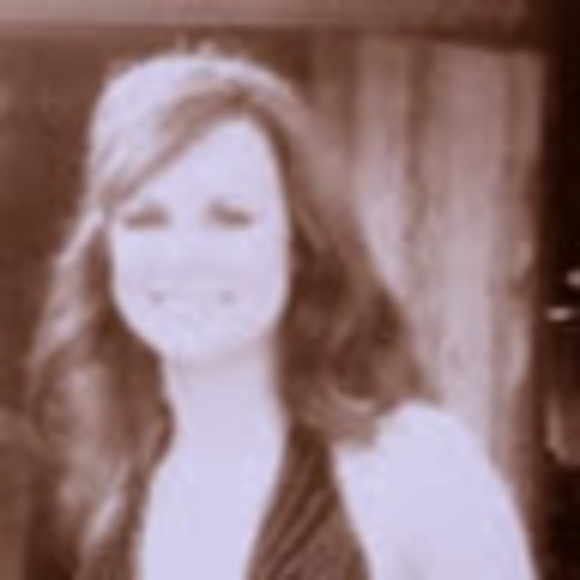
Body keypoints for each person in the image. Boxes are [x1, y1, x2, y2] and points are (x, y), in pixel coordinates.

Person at [24, 48, 536, 579]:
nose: (184, 256)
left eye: (231, 218)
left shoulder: (418, 469)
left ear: (300, 246)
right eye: (145, 219)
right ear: (105, 252)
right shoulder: (96, 493)